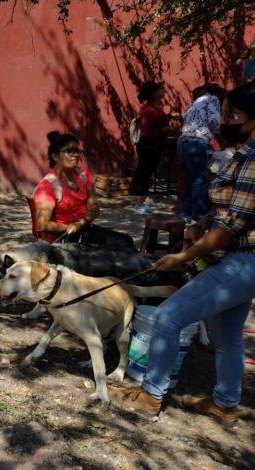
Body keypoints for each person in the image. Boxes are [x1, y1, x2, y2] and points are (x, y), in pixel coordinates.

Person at [111, 81, 255, 428]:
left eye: (232, 114)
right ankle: (225, 403)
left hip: (242, 262)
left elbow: (232, 227)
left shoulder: (254, 158)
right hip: (237, 260)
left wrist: (185, 255)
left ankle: (150, 395)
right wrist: (201, 222)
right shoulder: (243, 154)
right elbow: (227, 207)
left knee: (168, 317)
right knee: (227, 336)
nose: (226, 121)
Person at [33, 131, 135, 250]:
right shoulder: (47, 186)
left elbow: (95, 207)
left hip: (84, 228)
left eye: (77, 151)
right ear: (55, 156)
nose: (75, 155)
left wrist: (80, 223)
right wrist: (67, 227)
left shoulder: (83, 175)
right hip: (66, 237)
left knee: (125, 241)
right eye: (69, 151)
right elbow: (42, 224)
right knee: (123, 244)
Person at [176, 83, 226, 223]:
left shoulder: (194, 104)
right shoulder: (213, 99)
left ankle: (184, 213)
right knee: (199, 180)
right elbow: (214, 121)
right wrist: (224, 133)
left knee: (190, 179)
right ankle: (198, 217)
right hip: (196, 142)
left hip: (182, 141)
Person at [131, 81, 179, 215]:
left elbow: (157, 122)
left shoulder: (156, 107)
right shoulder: (148, 110)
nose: (164, 90)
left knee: (147, 173)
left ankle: (142, 200)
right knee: (144, 174)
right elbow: (146, 133)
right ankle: (138, 204)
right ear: (154, 93)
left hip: (156, 146)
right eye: (161, 89)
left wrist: (170, 116)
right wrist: (165, 129)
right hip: (148, 146)